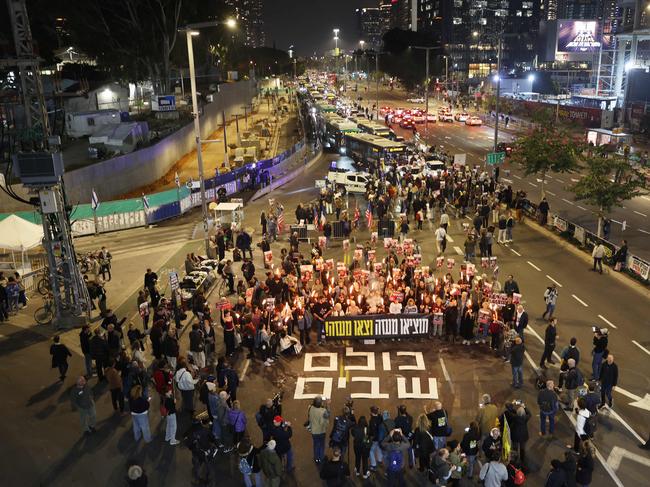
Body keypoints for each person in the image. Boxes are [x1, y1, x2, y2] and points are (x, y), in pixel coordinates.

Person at [306, 395, 331, 464]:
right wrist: (328, 404)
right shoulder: (323, 411)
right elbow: (328, 414)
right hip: (321, 431)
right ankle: (321, 457)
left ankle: (316, 458)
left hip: (313, 431)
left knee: (316, 444)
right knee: (322, 444)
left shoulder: (310, 408)